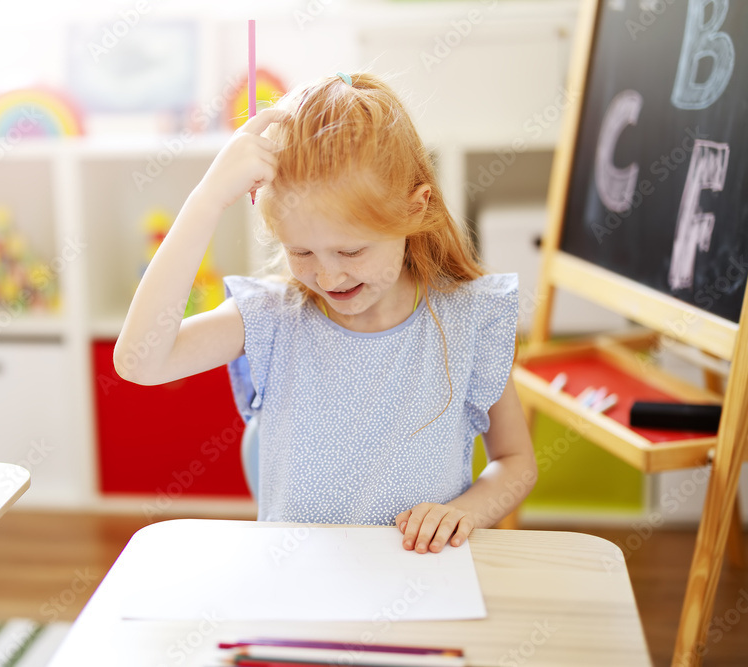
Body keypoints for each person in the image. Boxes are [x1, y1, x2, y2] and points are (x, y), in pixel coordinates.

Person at [115, 72, 535, 553]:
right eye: (302, 253)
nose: (329, 278)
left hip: (419, 583)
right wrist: (206, 200)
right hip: (298, 589)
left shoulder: (469, 319)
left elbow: (516, 459)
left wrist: (465, 511)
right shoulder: (273, 316)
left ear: (415, 209)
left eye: (352, 252)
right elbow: (139, 363)